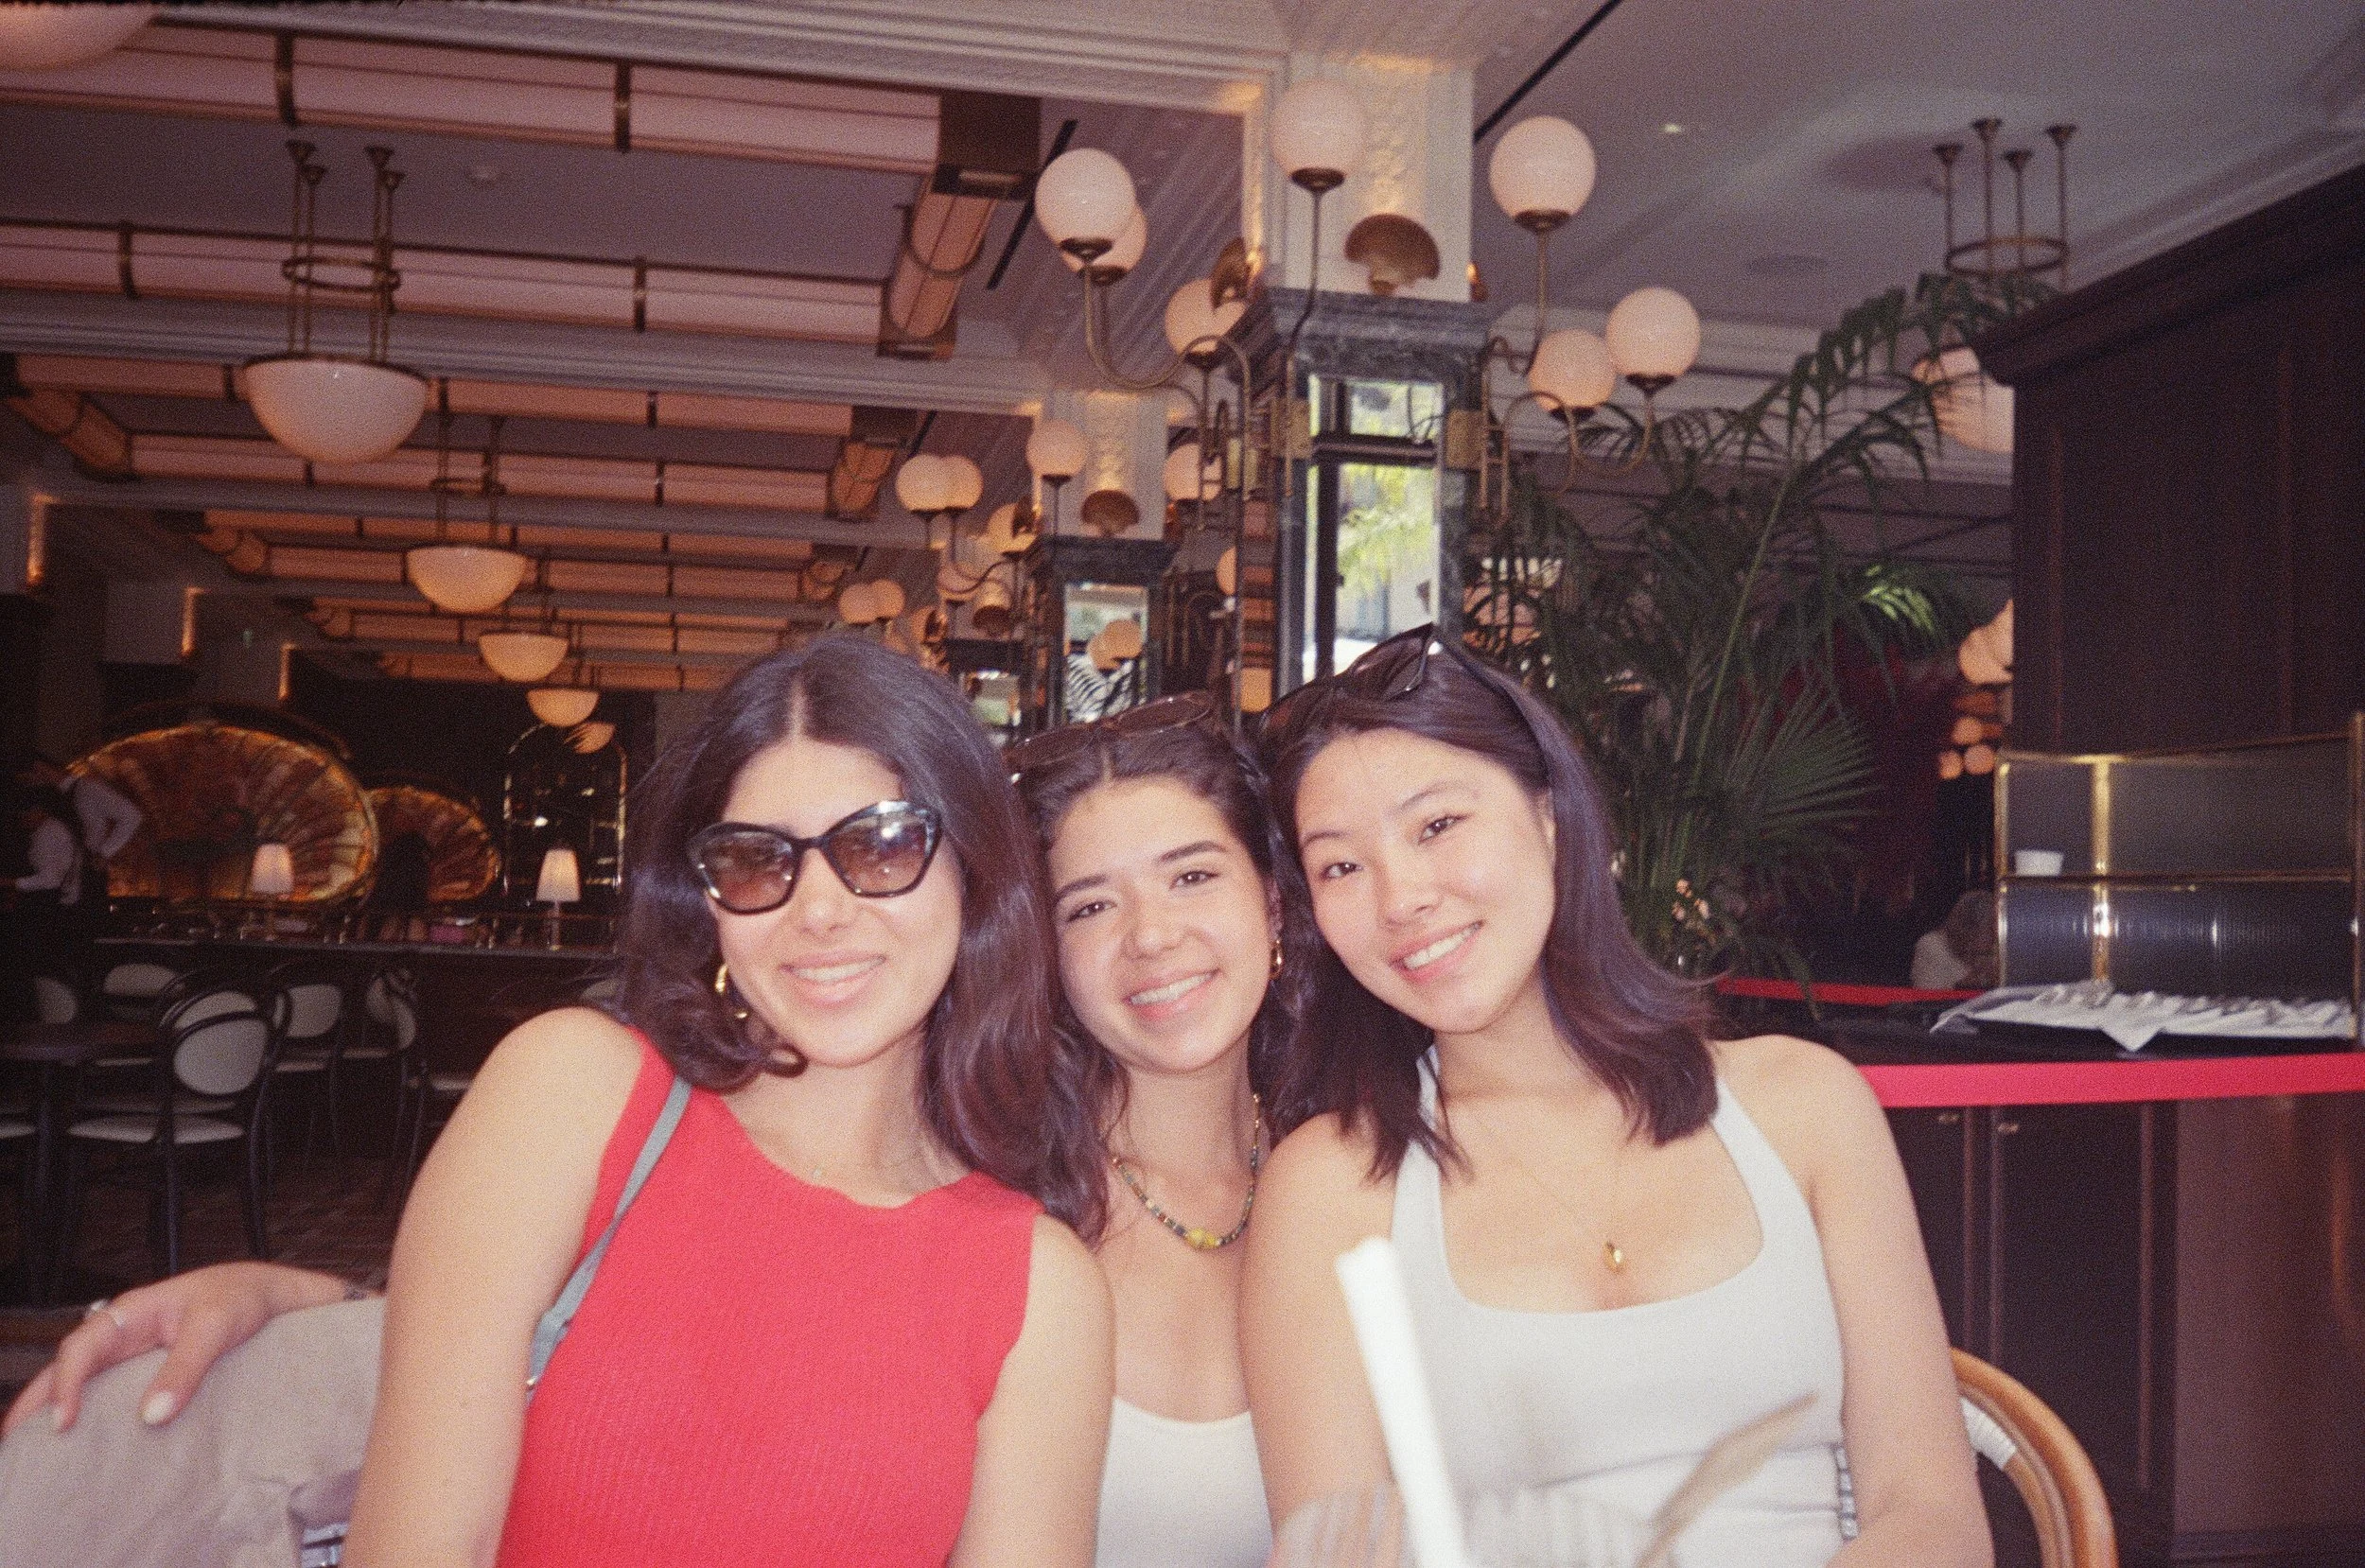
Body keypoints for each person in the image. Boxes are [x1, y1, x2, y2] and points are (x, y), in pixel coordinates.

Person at [11, 688, 1311, 1568]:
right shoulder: (584, 1090)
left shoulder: (1105, 1245)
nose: (821, 907)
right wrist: (318, 1301)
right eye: (757, 859)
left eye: (881, 846)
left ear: (970, 880)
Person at [1240, 626, 1989, 1567]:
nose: (1400, 897)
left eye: (1435, 826)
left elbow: (1929, 1512)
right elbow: (1336, 1550)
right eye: (1340, 864)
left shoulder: (1804, 1107)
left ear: (1550, 818)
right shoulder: (1333, 1185)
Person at [1910, 890, 1997, 992]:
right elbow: (1927, 1000)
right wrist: (1969, 983)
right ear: (1971, 927)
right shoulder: (1931, 946)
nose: (1994, 938)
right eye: (1991, 929)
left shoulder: (1993, 953)